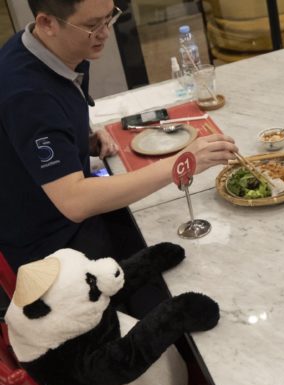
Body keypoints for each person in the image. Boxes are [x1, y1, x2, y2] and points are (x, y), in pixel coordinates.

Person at [0, 0, 237, 276]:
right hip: (51, 252)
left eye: (109, 18)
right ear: (47, 23)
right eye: (92, 25)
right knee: (196, 265)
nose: (105, 33)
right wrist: (182, 163)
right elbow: (74, 201)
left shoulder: (47, 47)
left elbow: (41, 131)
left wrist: (79, 139)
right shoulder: (27, 95)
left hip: (73, 221)